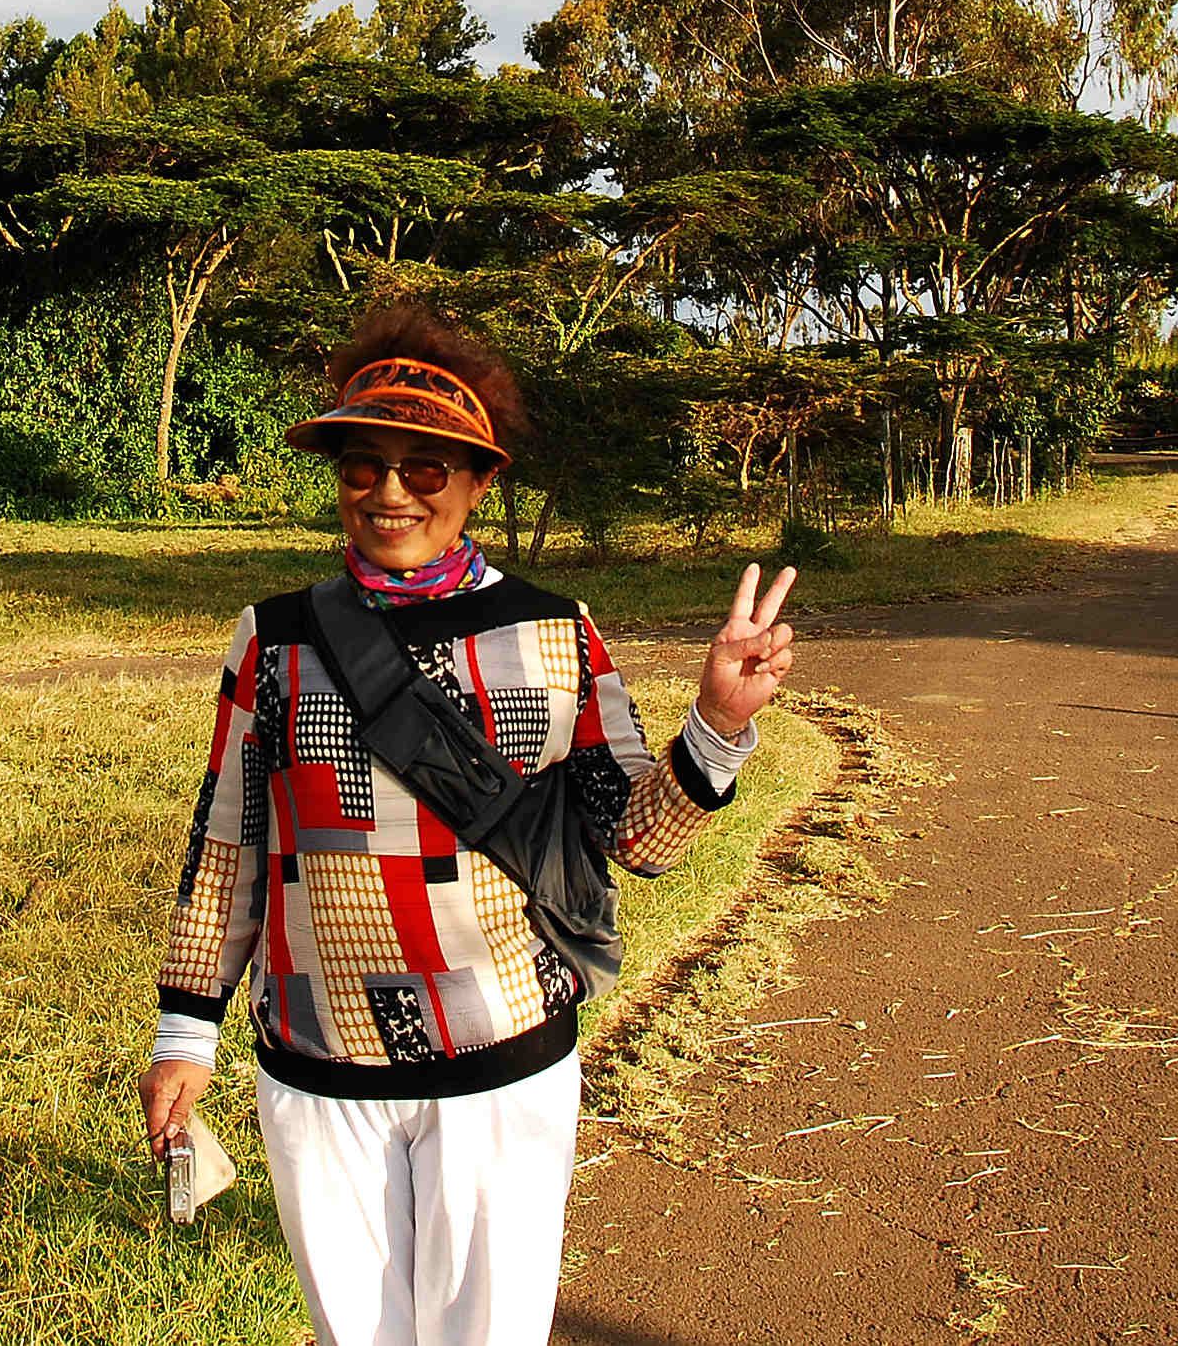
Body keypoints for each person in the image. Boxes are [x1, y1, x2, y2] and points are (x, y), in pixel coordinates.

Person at [139, 304, 797, 1346]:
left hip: (503, 1061)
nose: (390, 492)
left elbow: (633, 836)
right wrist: (186, 1032)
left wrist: (715, 724)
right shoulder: (275, 638)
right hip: (317, 1063)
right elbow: (228, 841)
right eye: (363, 464)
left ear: (479, 481)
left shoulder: (553, 630)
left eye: (424, 467)